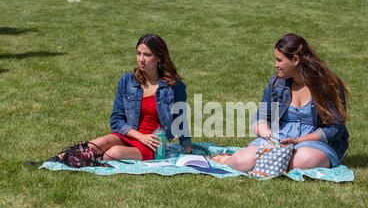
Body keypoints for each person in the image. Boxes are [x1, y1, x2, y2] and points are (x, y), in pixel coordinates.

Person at [47, 34, 192, 164]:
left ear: (159, 57)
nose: (141, 59)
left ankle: (83, 160)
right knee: (98, 143)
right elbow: (116, 120)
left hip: (151, 143)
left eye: (147, 55)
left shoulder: (173, 86)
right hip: (130, 133)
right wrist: (139, 136)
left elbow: (180, 120)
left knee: (114, 153)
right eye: (138, 53)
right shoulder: (127, 81)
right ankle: (54, 161)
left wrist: (189, 151)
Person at [225, 33, 349, 172]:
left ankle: (276, 161)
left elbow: (335, 128)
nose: (275, 65)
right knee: (240, 163)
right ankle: (276, 160)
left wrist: (298, 141)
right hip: (279, 139)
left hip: (315, 143)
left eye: (279, 60)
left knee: (302, 162)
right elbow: (262, 116)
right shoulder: (276, 83)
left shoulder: (327, 84)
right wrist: (263, 129)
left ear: (295, 60)